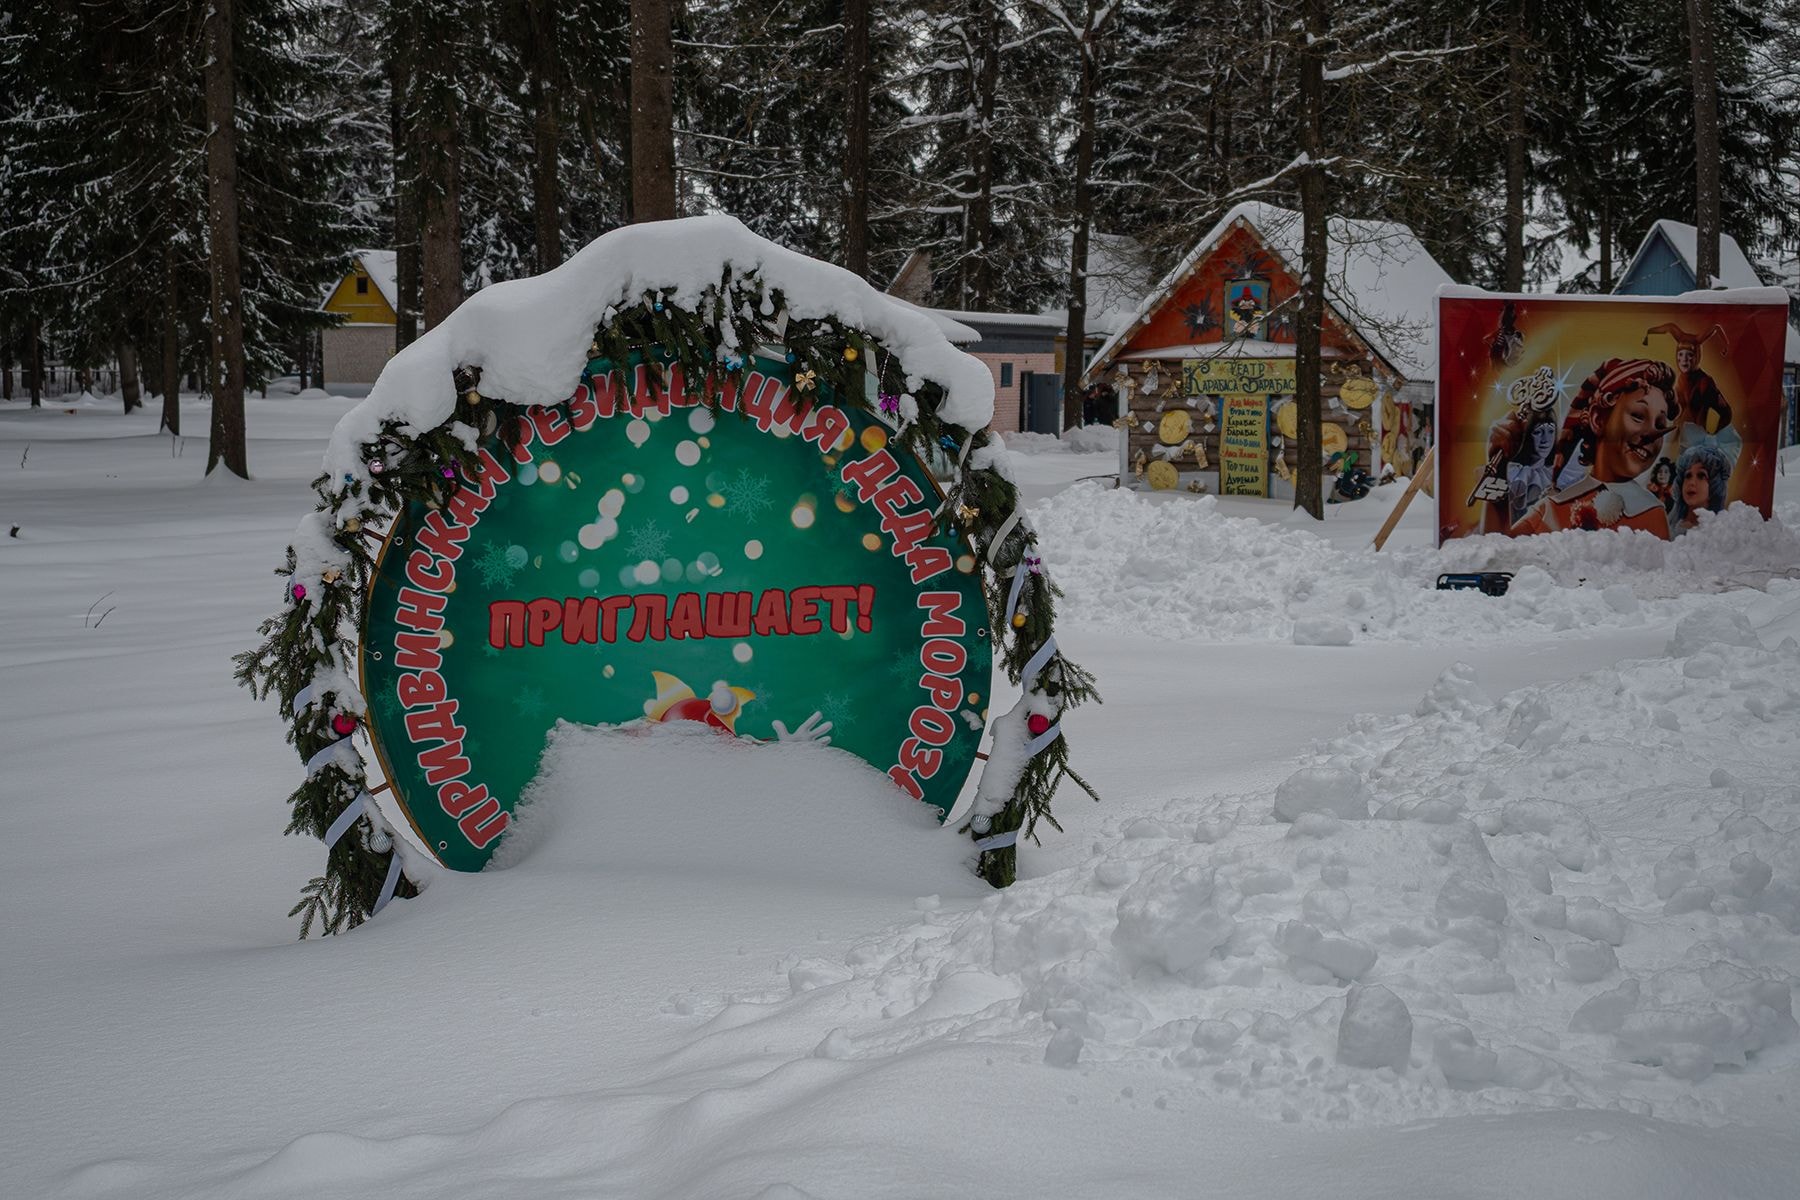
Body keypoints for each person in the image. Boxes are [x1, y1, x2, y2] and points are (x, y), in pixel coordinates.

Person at [1515, 357, 1677, 537]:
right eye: (1638, 416)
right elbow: (1497, 552)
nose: (1651, 434)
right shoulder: (1551, 509)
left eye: (1660, 426)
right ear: (1597, 419)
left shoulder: (1653, 514)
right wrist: (1497, 475)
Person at [1643, 323, 1731, 434]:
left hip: (1696, 442)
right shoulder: (1680, 380)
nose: (1684, 360)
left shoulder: (1705, 382)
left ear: (1697, 356)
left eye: (1689, 355)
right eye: (1680, 354)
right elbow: (1674, 413)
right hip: (1676, 439)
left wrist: (1712, 436)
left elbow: (1726, 413)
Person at [1668, 443, 1732, 537]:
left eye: (1701, 476)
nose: (1691, 482)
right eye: (1688, 475)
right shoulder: (1669, 527)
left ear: (1714, 485)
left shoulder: (1722, 532)